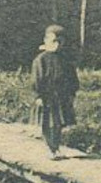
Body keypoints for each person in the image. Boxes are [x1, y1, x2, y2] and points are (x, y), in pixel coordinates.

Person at [30, 24, 79, 157]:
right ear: (46, 41)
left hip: (62, 96)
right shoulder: (41, 60)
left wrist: (72, 93)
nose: (56, 45)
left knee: (59, 123)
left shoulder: (66, 59)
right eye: (53, 41)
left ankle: (55, 146)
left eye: (59, 42)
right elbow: (37, 79)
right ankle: (51, 148)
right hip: (47, 96)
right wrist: (38, 96)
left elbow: (72, 77)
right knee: (48, 123)